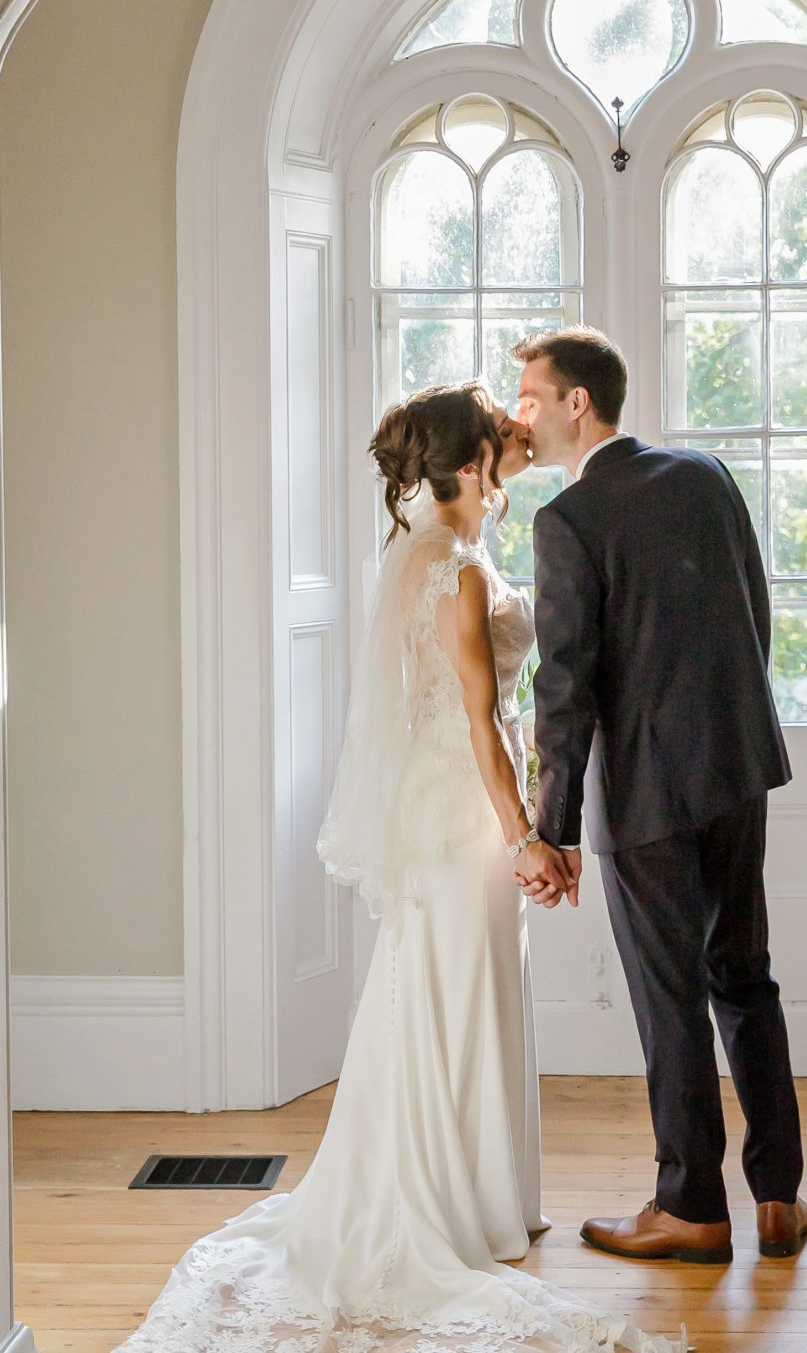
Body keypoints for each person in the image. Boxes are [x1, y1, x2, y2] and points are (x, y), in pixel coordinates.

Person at [116, 382, 680, 1353]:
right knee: (458, 987)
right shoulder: (454, 569)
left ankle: (478, 1199)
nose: (514, 447)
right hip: (462, 807)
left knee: (445, 986)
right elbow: (480, 719)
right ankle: (458, 1206)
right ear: (472, 468)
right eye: (500, 444)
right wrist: (524, 835)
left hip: (440, 802)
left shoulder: (421, 553)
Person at [513, 327, 807, 1265]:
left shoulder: (567, 521)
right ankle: (778, 1198)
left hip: (644, 791)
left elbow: (567, 684)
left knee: (669, 997)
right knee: (744, 973)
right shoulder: (704, 474)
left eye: (531, 394)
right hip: (736, 766)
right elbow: (753, 612)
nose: (520, 410)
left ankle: (691, 1207)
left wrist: (550, 828)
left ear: (577, 402)